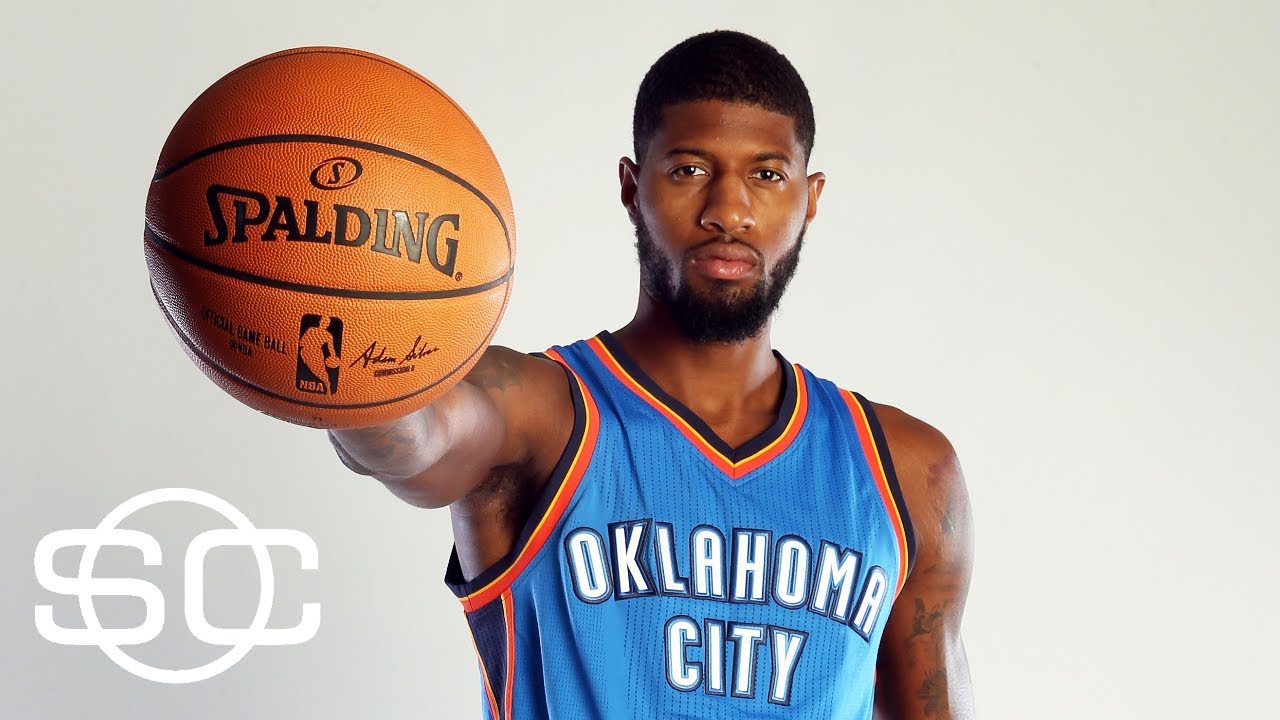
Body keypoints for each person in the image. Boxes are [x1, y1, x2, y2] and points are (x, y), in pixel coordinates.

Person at [330, 30, 975, 719]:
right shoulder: (543, 417)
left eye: (767, 175)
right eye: (690, 169)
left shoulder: (905, 471)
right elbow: (413, 437)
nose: (729, 212)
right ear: (632, 187)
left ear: (809, 198)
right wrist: (336, 337)